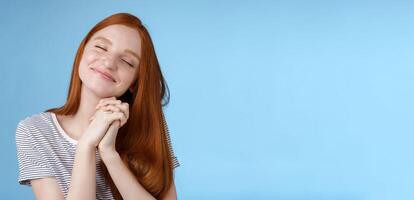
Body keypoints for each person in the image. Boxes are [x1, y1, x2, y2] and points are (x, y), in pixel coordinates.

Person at [15, 12, 180, 200]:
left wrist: (110, 155)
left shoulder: (148, 128)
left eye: (126, 61)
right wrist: (86, 145)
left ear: (135, 82)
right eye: (101, 47)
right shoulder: (35, 131)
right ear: (82, 52)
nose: (109, 63)